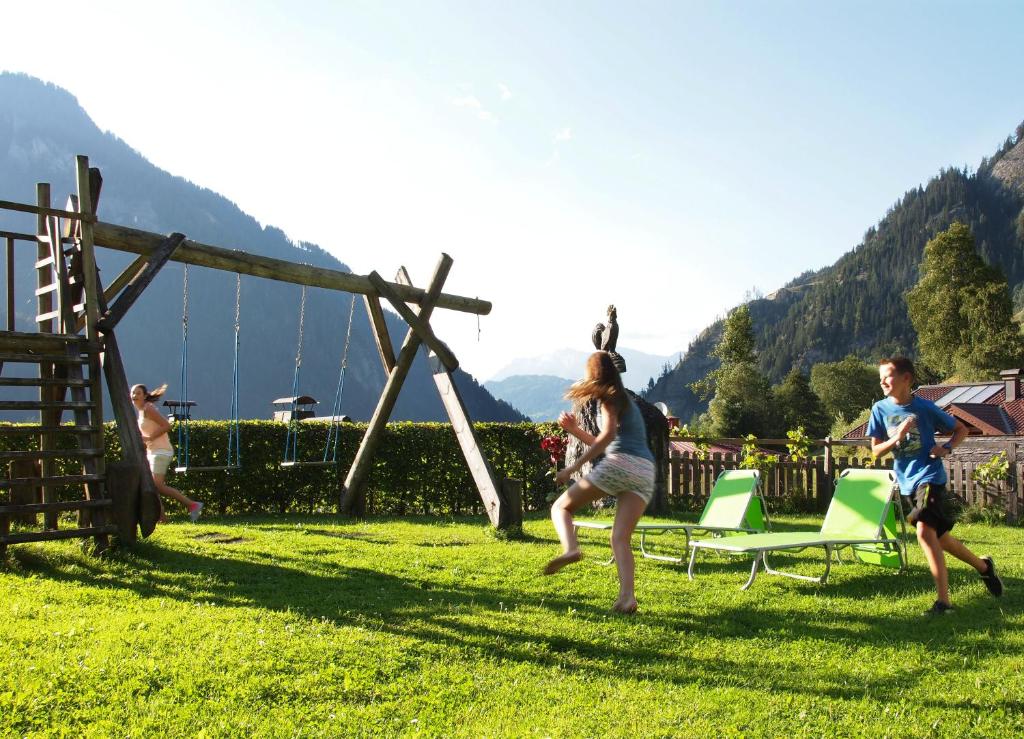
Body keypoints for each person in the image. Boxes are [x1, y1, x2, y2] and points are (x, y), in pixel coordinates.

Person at [868, 357, 1003, 615]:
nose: (882, 381)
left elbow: (961, 429)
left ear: (906, 379)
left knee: (923, 531)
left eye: (887, 376)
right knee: (940, 539)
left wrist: (947, 448)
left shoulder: (925, 408)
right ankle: (984, 567)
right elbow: (875, 451)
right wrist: (897, 436)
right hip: (906, 481)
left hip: (929, 477)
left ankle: (944, 603)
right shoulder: (879, 409)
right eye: (880, 377)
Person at [544, 351, 655, 614]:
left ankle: (571, 549)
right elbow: (608, 441)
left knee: (560, 507)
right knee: (620, 538)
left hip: (621, 464)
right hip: (645, 471)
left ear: (593, 373)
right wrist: (575, 430)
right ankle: (627, 598)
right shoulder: (625, 399)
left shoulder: (610, 397)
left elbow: (607, 437)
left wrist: (573, 467)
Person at [131, 383, 203, 523]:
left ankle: (193, 505)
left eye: (138, 393)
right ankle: (162, 517)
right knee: (152, 485)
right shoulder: (141, 412)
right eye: (133, 393)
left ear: (145, 396)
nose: (134, 395)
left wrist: (149, 438)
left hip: (162, 451)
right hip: (153, 452)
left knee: (157, 485)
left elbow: (167, 425)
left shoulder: (148, 408)